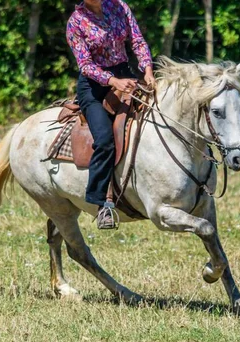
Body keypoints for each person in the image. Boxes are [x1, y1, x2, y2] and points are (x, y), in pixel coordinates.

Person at [66, 0, 156, 229]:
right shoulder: (76, 22)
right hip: (94, 87)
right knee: (105, 140)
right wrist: (113, 81)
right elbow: (85, 65)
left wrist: (147, 69)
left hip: (125, 75)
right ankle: (102, 204)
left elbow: (136, 40)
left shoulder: (119, 6)